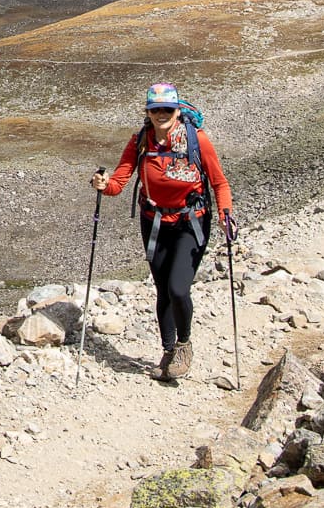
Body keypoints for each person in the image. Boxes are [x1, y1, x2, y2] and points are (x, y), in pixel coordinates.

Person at [91, 81, 232, 380]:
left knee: (178, 288)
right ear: (148, 112)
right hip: (153, 220)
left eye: (167, 109)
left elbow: (219, 182)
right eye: (156, 110)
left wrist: (225, 214)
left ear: (177, 111)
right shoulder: (141, 141)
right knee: (162, 289)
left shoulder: (197, 141)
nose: (162, 114)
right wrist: (103, 185)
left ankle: (183, 345)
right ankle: (168, 351)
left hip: (191, 221)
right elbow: (119, 181)